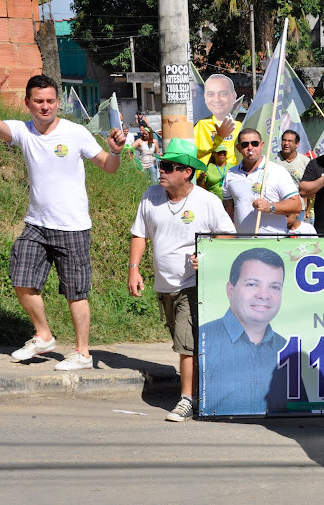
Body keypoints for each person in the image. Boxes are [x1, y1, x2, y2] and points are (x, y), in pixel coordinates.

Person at [0, 70, 126, 371]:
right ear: (27, 103)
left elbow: (108, 167)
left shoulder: (75, 132)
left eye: (51, 101)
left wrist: (115, 151)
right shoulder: (22, 131)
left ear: (58, 102)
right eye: (39, 101)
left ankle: (83, 354)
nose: (45, 106)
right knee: (21, 278)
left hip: (73, 226)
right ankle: (43, 336)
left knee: (75, 292)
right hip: (36, 224)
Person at [128, 138, 235, 422]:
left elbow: (227, 234)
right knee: (183, 342)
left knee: (186, 345)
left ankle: (186, 399)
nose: (161, 170)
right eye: (162, 165)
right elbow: (140, 234)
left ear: (187, 171)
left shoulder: (206, 201)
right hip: (164, 286)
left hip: (192, 285)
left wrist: (208, 255)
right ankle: (202, 391)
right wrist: (134, 268)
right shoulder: (150, 196)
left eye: (168, 166)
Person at [199, 248, 300, 415]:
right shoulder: (204, 339)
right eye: (252, 284)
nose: (264, 295)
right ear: (230, 290)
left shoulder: (286, 350)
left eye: (274, 287)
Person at [223, 128, 302, 235]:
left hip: (273, 241)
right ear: (238, 148)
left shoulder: (277, 171)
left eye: (254, 143)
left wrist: (270, 207)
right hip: (242, 242)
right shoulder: (231, 174)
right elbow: (228, 207)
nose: (250, 148)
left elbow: (296, 205)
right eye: (245, 144)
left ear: (262, 145)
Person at [193, 74, 241, 167]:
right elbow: (193, 153)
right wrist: (218, 138)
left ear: (234, 96)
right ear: (205, 98)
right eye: (211, 94)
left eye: (223, 94)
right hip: (206, 178)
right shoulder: (201, 126)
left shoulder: (239, 126)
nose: (217, 99)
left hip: (233, 176)